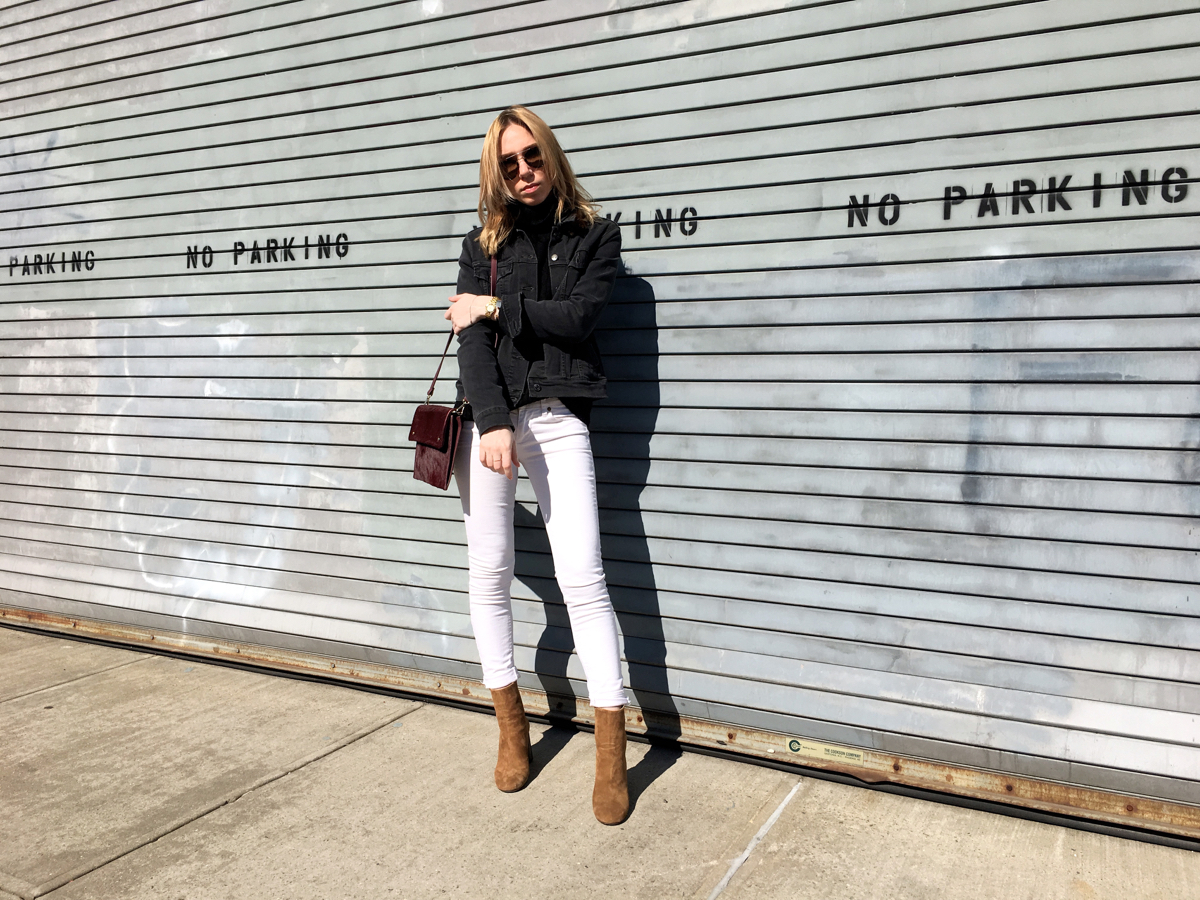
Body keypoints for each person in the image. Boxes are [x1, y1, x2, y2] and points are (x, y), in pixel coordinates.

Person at [444, 106, 629, 825]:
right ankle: (512, 728)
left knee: (583, 579)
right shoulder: (480, 243)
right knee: (489, 572)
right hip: (490, 425)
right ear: (496, 171)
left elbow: (577, 319)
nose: (523, 172)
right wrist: (491, 424)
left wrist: (494, 305)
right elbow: (469, 344)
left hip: (557, 417)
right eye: (509, 163)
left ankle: (611, 753)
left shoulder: (595, 237)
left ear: (551, 157)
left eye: (533, 158)